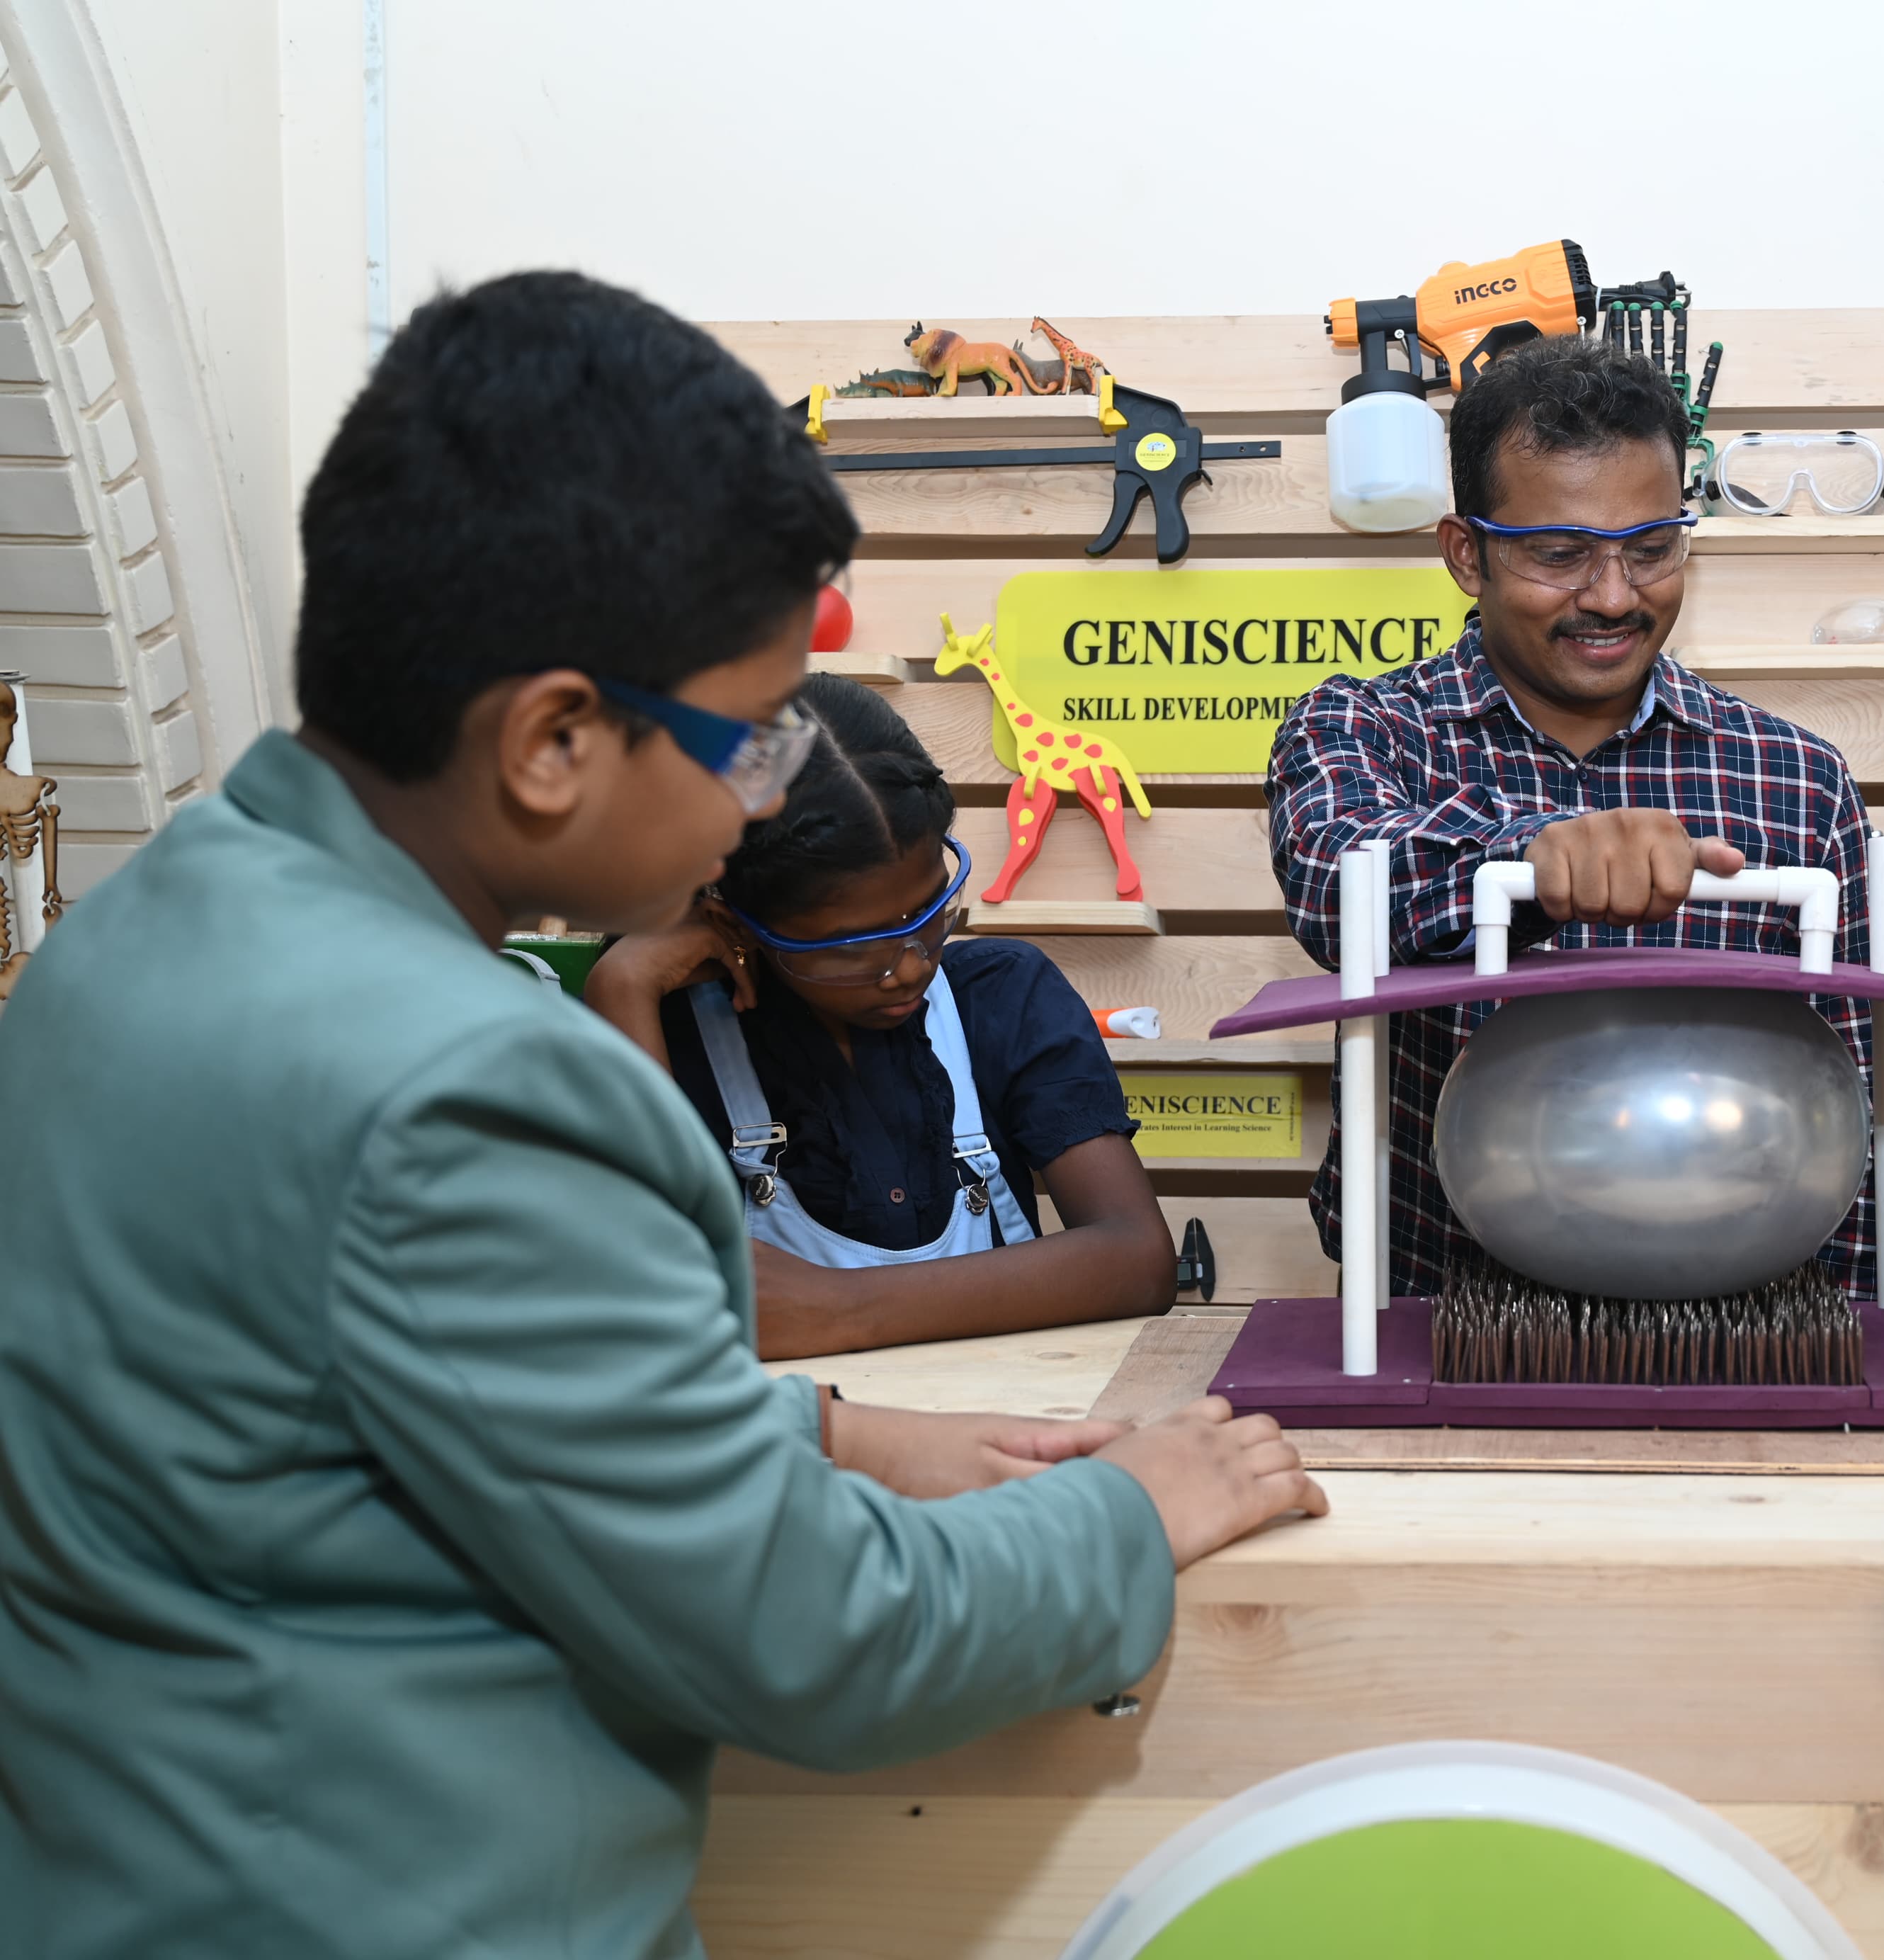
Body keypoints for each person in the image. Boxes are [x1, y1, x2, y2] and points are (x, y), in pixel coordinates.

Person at [0, 271, 1324, 1960]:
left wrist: (828, 1433)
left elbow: (383, 1432)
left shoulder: (138, 933)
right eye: (751, 734)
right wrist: (1131, 1511)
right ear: (555, 739)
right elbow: (823, 1639)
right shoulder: (475, 1083)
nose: (770, 789)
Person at [1269, 334, 1873, 1295]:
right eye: (1560, 554)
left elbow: (1849, 1090)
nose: (1612, 596)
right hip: (1439, 1323)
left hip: (1745, 1326)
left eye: (1651, 549)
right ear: (1467, 554)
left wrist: (1849, 1333)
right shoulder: (1365, 728)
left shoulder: (1796, 776)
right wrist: (1530, 859)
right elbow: (1341, 881)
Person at [586, 674, 1173, 1359]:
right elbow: (646, 1290)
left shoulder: (1006, 999)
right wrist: (620, 988)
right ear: (733, 924)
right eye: (851, 948)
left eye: (928, 913)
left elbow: (1137, 1258)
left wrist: (837, 1311)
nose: (911, 965)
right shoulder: (677, 1034)